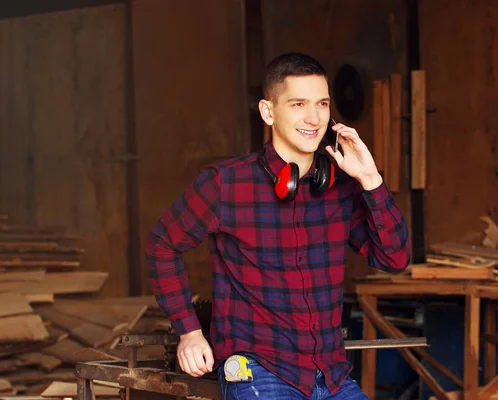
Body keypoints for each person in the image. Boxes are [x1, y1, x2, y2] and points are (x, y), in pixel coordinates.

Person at [146, 52, 410, 400]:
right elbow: (162, 245)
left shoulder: (343, 187)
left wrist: (371, 181)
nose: (313, 118)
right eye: (298, 104)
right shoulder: (225, 183)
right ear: (268, 112)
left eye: (322, 104)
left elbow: (395, 259)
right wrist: (189, 331)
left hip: (330, 374)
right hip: (258, 370)